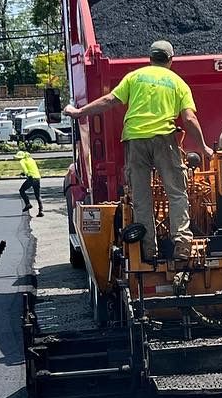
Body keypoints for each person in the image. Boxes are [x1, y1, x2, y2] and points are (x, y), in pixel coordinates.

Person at [65, 39, 212, 260]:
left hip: (135, 141)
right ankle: (182, 244)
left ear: (150, 58)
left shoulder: (135, 77)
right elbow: (189, 119)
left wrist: (79, 112)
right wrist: (203, 147)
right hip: (164, 139)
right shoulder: (178, 83)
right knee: (176, 193)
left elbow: (109, 100)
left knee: (141, 198)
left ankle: (148, 250)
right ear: (171, 60)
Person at [16, 146, 43, 216]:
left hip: (31, 178)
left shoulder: (22, 161)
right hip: (37, 177)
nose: (17, 159)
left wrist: (26, 174)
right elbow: (32, 168)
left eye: (18, 158)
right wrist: (24, 173)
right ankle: (41, 211)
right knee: (38, 195)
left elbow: (25, 169)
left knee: (21, 190)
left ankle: (28, 204)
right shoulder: (31, 159)